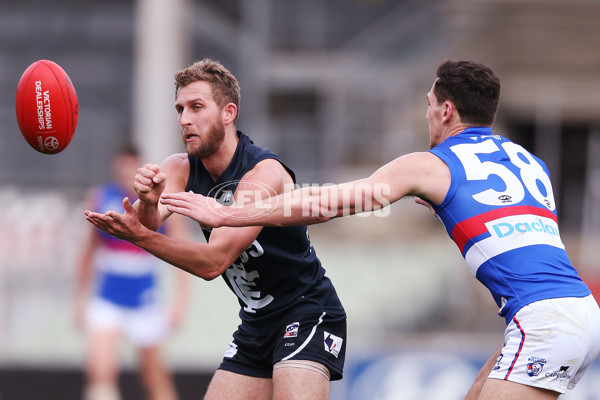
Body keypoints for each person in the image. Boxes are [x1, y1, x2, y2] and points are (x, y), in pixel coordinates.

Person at [159, 60, 600, 399]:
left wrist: (227, 214)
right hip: (576, 309)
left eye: (429, 106)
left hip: (541, 320)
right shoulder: (529, 162)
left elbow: (326, 202)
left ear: (446, 110)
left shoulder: (432, 164)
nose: (428, 116)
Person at [84, 59, 347, 400]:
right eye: (179, 109)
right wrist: (148, 202)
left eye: (196, 107)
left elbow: (214, 262)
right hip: (256, 323)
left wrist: (141, 236)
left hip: (306, 310)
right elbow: (148, 222)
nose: (184, 119)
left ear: (228, 113)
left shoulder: (261, 173)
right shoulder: (177, 168)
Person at [75, 146, 191, 400]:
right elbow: (87, 253)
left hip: (145, 301)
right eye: (122, 166)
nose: (126, 172)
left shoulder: (161, 203)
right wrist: (80, 300)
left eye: (132, 167)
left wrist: (179, 303)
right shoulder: (100, 198)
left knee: (154, 376)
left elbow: (185, 252)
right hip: (108, 298)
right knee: (101, 373)